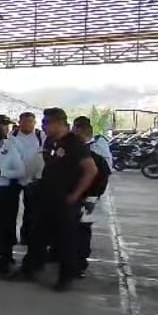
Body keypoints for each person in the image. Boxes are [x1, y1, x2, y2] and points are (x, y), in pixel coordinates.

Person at [8, 108, 97, 291]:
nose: (43, 126)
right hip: (47, 196)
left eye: (46, 123)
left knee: (65, 240)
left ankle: (66, 277)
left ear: (59, 123)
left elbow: (91, 170)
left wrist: (75, 194)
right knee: (37, 235)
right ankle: (30, 269)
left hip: (65, 200)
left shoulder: (74, 143)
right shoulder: (50, 141)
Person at [71, 116, 112, 277]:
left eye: (74, 128)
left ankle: (79, 264)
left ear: (79, 130)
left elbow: (104, 174)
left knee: (82, 230)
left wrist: (93, 197)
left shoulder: (96, 150)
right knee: (72, 228)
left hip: (89, 197)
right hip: (77, 195)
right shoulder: (77, 148)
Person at [0, 116, 26, 274]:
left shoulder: (11, 146)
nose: (4, 128)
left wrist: (1, 172)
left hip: (3, 193)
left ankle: (6, 259)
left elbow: (20, 171)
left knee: (5, 228)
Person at [11, 112, 45, 245]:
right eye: (24, 122)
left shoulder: (40, 136)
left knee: (31, 209)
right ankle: (9, 236)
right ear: (19, 123)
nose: (27, 124)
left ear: (34, 123)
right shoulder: (12, 136)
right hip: (14, 177)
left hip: (33, 179)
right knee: (10, 209)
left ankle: (27, 236)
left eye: (30, 122)